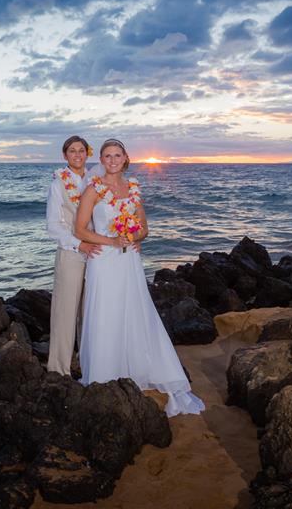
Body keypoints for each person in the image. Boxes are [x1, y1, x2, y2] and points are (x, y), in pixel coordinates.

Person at [73, 138, 205, 417]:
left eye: (117, 155)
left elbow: (144, 227)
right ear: (101, 159)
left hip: (129, 259)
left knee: (135, 310)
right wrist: (111, 241)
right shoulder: (93, 189)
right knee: (105, 313)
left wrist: (134, 236)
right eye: (107, 155)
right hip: (104, 260)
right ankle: (104, 373)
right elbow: (80, 230)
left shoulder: (132, 189)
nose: (112, 160)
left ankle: (138, 367)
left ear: (125, 158)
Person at [45, 136, 102, 376]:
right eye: (72, 151)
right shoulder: (59, 184)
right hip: (71, 252)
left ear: (87, 154)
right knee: (65, 312)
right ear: (65, 155)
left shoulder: (95, 180)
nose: (77, 155)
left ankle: (86, 363)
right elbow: (53, 226)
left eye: (81, 150)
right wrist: (79, 244)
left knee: (89, 311)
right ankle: (58, 369)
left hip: (97, 253)